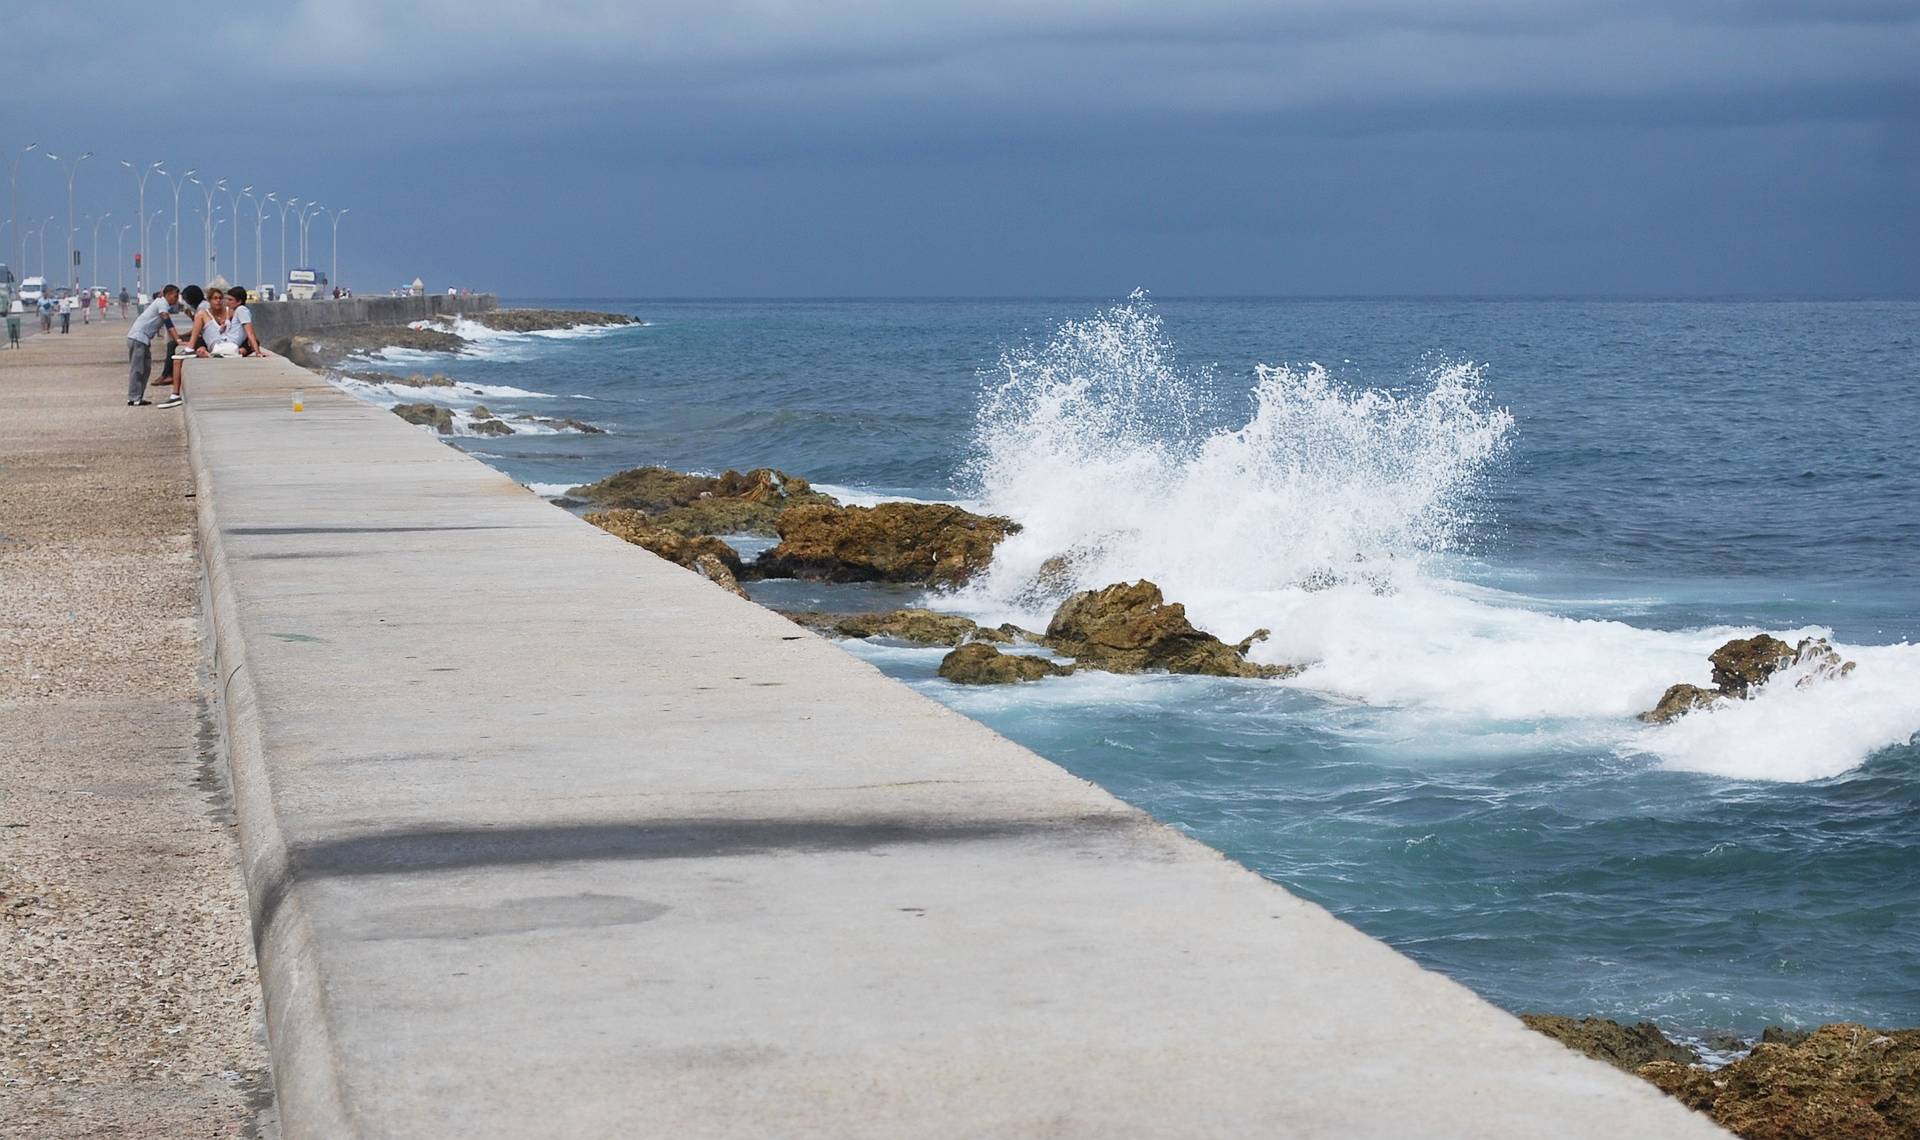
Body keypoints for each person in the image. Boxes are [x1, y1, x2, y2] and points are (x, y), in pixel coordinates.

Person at [125, 284, 183, 406]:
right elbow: (167, 321)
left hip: (143, 339)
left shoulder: (164, 304)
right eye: (175, 296)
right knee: (137, 369)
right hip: (138, 338)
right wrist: (178, 339)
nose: (176, 298)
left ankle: (138, 397)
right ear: (167, 295)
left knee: (146, 368)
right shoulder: (161, 303)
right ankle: (133, 398)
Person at [225, 287, 265, 355]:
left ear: (239, 301)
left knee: (254, 342)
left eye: (230, 300)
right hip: (230, 344)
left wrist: (258, 352)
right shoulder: (238, 310)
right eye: (227, 299)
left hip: (229, 344)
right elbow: (250, 332)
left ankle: (239, 351)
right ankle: (239, 351)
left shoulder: (241, 310)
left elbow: (250, 332)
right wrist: (257, 351)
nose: (227, 302)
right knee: (254, 342)